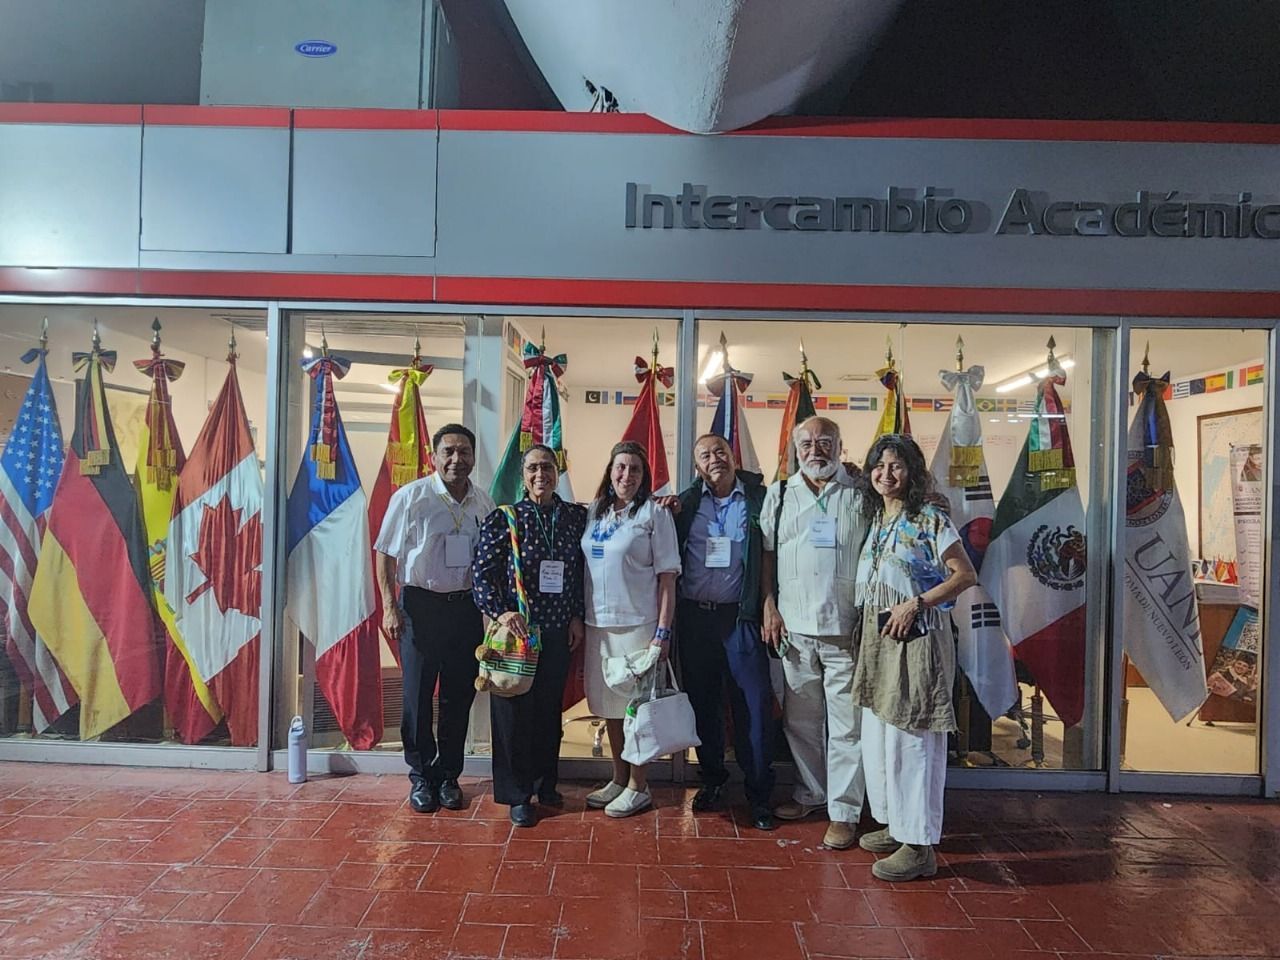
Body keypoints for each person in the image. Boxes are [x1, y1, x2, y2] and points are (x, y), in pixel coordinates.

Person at [853, 433, 977, 882]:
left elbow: (965, 574)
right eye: (879, 465)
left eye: (896, 466)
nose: (886, 474)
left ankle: (920, 846)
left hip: (917, 637)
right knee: (881, 736)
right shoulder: (877, 517)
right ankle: (896, 824)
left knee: (914, 740)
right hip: (880, 637)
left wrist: (917, 603)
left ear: (912, 472)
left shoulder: (929, 518)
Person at [375, 424, 494, 814]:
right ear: (434, 457)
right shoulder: (411, 497)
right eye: (449, 451)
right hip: (420, 608)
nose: (457, 459)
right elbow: (385, 553)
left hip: (465, 609)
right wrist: (389, 606)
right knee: (417, 697)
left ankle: (448, 776)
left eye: (464, 452)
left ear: (473, 457)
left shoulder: (483, 502)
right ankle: (421, 776)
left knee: (458, 697)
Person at [761, 417, 867, 850]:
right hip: (794, 629)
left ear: (840, 447)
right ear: (795, 449)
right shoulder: (780, 495)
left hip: (846, 629)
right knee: (801, 721)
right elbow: (767, 555)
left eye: (825, 442)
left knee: (847, 727)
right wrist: (769, 605)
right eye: (806, 443)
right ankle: (811, 793)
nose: (815, 450)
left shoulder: (861, 493)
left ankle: (844, 811)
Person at [472, 444, 587, 828]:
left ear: (558, 472)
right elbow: (482, 575)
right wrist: (502, 612)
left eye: (548, 467)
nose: (541, 474)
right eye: (533, 468)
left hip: (557, 632)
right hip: (517, 635)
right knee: (513, 714)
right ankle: (517, 794)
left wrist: (576, 615)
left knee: (548, 713)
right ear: (523, 476)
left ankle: (544, 783)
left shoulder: (574, 518)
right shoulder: (505, 519)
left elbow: (580, 573)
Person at [672, 433, 776, 831]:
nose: (714, 458)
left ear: (734, 457)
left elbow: (770, 551)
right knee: (703, 705)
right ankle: (713, 779)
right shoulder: (686, 504)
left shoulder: (759, 499)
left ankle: (759, 794)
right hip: (695, 619)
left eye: (721, 451)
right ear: (697, 467)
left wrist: (766, 604)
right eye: (705, 455)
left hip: (740, 618)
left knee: (753, 707)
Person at [580, 441, 681, 818]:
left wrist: (662, 633)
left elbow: (668, 578)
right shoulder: (595, 511)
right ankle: (619, 777)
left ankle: (640, 785)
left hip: (639, 627)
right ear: (610, 472)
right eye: (620, 467)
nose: (626, 475)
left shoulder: (655, 514)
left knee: (638, 712)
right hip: (598, 626)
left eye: (635, 469)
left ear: (644, 476)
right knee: (610, 708)